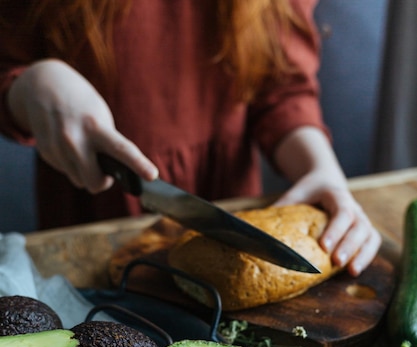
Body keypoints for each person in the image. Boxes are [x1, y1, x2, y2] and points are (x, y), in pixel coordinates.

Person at [0, 0, 380, 276]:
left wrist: (321, 168)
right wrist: (29, 85)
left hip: (230, 200)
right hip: (89, 215)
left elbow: (281, 88)